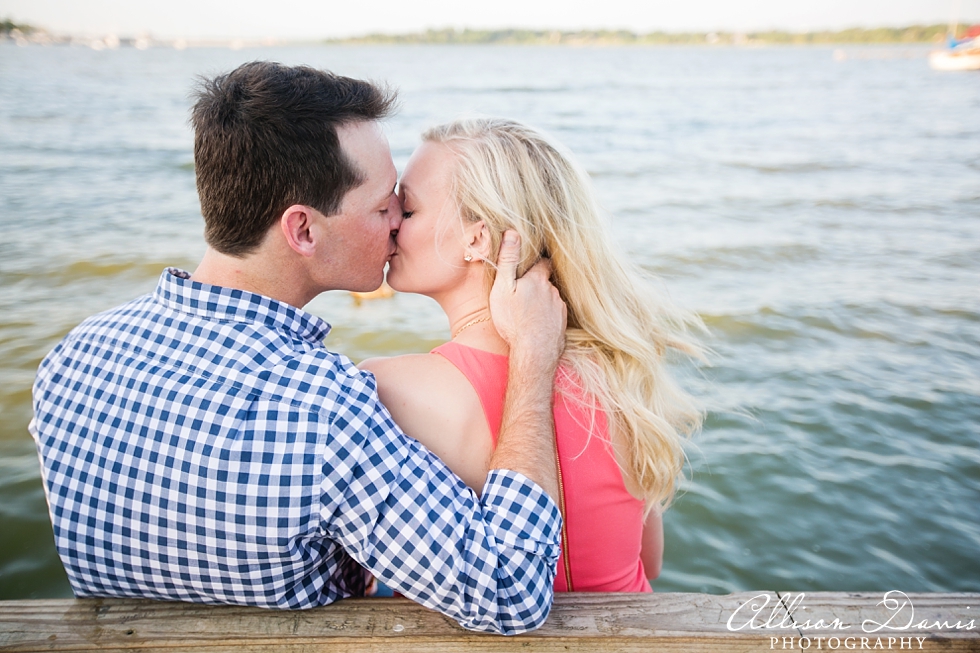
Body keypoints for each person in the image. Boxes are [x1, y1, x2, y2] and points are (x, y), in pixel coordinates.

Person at [29, 63, 568, 635]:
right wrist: (532, 362)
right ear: (304, 231)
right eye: (384, 206)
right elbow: (510, 591)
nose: (395, 226)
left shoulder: (70, 361)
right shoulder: (323, 410)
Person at [361, 118, 703, 592]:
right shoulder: (617, 368)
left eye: (410, 209)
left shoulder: (386, 390)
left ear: (476, 239)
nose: (392, 221)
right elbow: (651, 561)